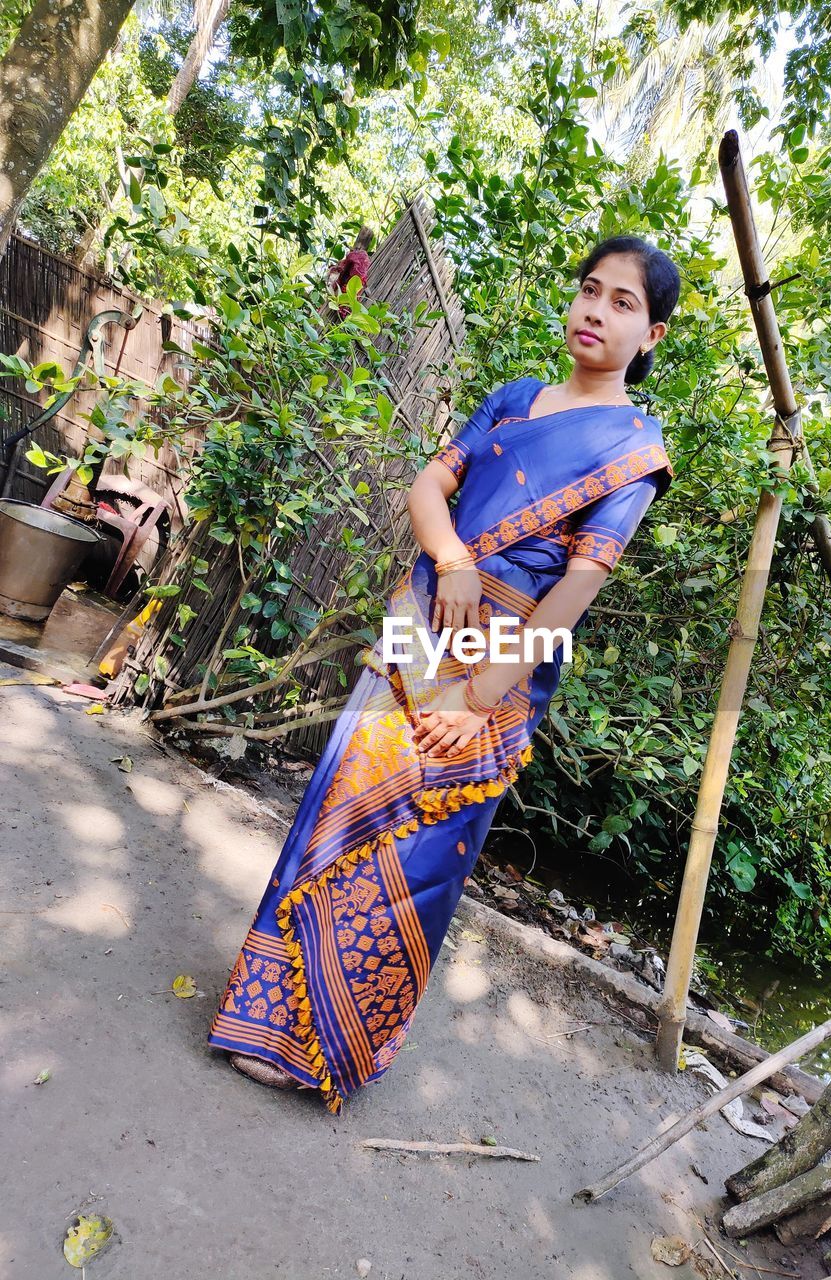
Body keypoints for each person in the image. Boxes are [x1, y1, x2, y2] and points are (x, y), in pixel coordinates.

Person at [208, 234, 681, 1111]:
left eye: (623, 302)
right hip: (422, 628)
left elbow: (579, 583)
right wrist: (455, 558)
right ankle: (265, 1015)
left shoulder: (632, 452)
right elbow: (429, 487)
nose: (595, 310)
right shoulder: (510, 399)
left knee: (417, 856)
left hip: (495, 674)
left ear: (651, 335)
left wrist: (479, 697)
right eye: (589, 289)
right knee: (336, 813)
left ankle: (332, 1049)